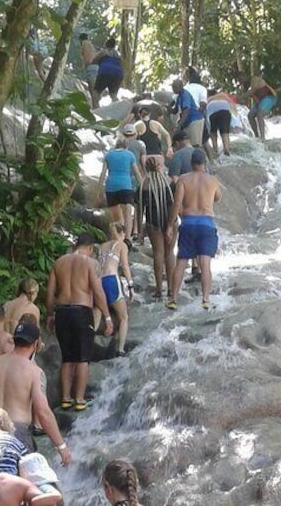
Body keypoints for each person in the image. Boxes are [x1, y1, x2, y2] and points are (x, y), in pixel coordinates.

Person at [0, 322, 71, 464]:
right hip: (16, 431)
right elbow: (43, 412)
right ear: (36, 344)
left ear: (14, 340)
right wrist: (61, 446)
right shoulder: (34, 371)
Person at [46, 233, 114, 412]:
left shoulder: (58, 262)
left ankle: (66, 399)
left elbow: (50, 291)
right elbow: (98, 292)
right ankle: (80, 399)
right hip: (81, 312)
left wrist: (50, 315)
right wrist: (107, 317)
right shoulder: (90, 263)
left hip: (62, 312)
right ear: (90, 248)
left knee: (67, 357)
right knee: (83, 357)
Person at [165, 148, 221, 310]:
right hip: (206, 224)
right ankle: (205, 299)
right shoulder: (212, 180)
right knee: (205, 263)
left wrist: (170, 224)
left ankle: (173, 299)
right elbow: (217, 197)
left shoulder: (183, 179)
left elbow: (177, 204)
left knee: (181, 262)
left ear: (191, 163)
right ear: (204, 163)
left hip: (188, 223)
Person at [140, 157, 175, 301]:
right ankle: (172, 289)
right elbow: (175, 203)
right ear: (159, 166)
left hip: (152, 222)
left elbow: (139, 210)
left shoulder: (144, 185)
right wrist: (171, 225)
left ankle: (159, 289)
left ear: (146, 168)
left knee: (158, 253)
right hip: (170, 220)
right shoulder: (170, 182)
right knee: (169, 252)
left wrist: (138, 232)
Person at [98, 222, 134, 356]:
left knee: (98, 310)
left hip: (99, 281)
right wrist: (130, 286)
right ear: (122, 233)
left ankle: (89, 341)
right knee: (124, 317)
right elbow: (125, 267)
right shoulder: (121, 245)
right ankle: (120, 349)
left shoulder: (102, 246)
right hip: (111, 280)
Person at [98, 137, 144, 240]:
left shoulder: (109, 155)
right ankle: (127, 239)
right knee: (128, 214)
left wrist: (99, 190)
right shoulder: (130, 155)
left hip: (111, 187)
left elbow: (103, 173)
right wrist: (143, 185)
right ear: (126, 146)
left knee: (117, 218)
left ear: (116, 145)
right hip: (125, 186)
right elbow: (136, 172)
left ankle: (119, 239)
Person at [171, 79, 204, 150]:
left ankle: (201, 160)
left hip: (194, 121)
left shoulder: (185, 95)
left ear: (181, 87)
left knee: (195, 144)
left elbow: (186, 111)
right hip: (187, 122)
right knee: (187, 144)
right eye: (172, 87)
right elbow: (175, 110)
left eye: (175, 87)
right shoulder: (179, 97)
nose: (173, 89)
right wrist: (167, 108)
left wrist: (179, 125)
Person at [92, 37, 124, 104]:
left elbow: (94, 61)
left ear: (106, 44)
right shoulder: (117, 54)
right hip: (118, 74)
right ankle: (117, 108)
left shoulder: (103, 51)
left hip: (105, 72)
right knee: (113, 95)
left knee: (96, 94)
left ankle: (95, 109)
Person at [205, 92, 237, 156]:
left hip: (211, 109)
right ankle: (226, 149)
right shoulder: (224, 95)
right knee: (225, 133)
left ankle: (215, 150)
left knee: (213, 132)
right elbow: (233, 107)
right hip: (224, 109)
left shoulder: (209, 98)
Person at [246, 75, 277, 141]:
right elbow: (255, 99)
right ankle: (256, 136)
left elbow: (273, 93)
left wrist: (238, 97)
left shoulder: (254, 79)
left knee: (259, 114)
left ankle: (263, 137)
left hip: (270, 97)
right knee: (250, 115)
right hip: (261, 101)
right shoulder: (249, 87)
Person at [79, 33, 99, 104]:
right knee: (96, 87)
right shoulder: (92, 45)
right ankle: (96, 104)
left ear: (81, 39)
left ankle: (96, 105)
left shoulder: (83, 44)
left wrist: (82, 67)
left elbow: (82, 57)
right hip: (96, 66)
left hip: (90, 67)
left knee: (92, 88)